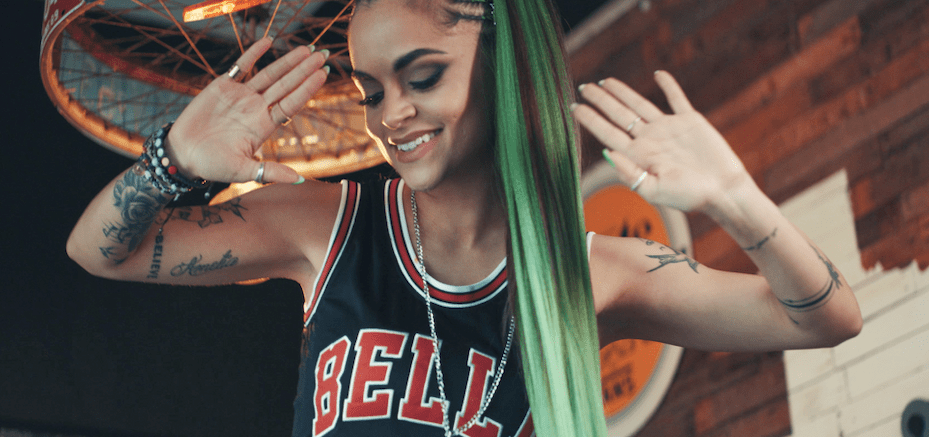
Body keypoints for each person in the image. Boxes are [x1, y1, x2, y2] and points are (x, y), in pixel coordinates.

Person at [67, 0, 863, 436]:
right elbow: (101, 250)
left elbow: (824, 318)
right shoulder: (327, 222)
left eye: (421, 76)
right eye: (373, 90)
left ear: (501, 68)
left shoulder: (588, 273)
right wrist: (173, 159)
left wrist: (734, 196)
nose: (392, 114)